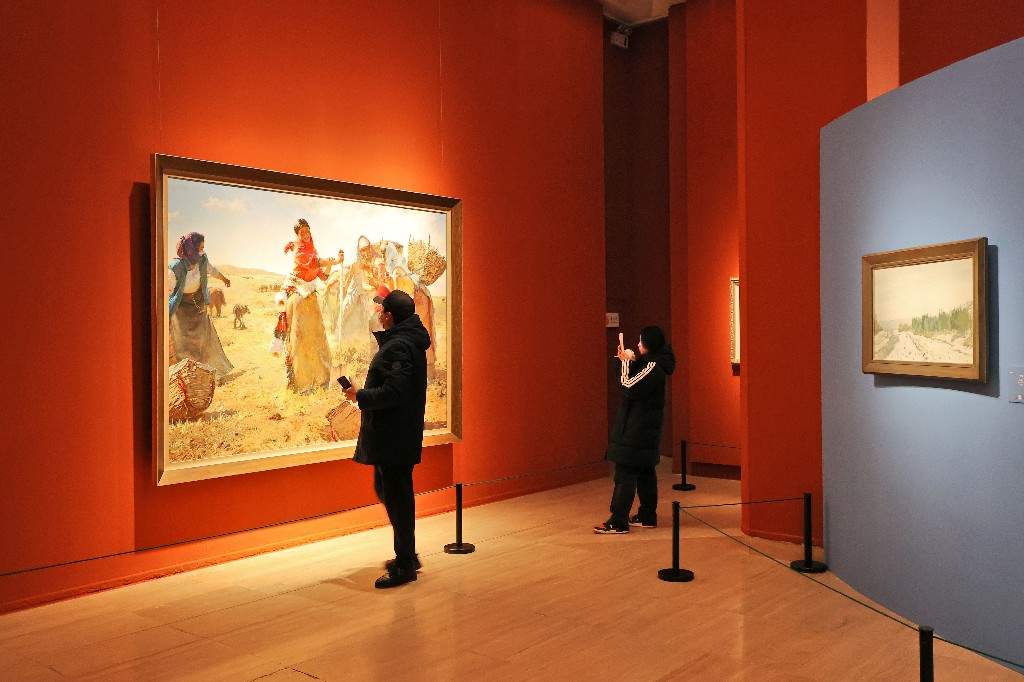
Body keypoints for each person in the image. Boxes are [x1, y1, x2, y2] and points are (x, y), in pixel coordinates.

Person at [342, 289, 431, 588]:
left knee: (397, 498)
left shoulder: (398, 346)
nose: (379, 315)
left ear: (390, 316)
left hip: (394, 437)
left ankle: (405, 564)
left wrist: (360, 396)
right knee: (389, 492)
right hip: (397, 435)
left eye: (382, 311)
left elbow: (395, 392)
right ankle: (408, 555)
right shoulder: (407, 342)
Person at [594, 326, 676, 534]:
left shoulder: (653, 366)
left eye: (641, 341)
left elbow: (628, 385)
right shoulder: (652, 363)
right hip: (643, 428)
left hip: (637, 430)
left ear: (649, 343)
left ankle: (618, 521)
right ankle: (647, 516)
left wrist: (624, 362)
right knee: (645, 472)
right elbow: (635, 381)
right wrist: (627, 360)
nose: (638, 344)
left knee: (625, 473)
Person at [167, 232, 234, 375]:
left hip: (198, 304)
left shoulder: (202, 260)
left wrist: (224, 279)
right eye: (200, 248)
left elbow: (212, 271)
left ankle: (203, 372)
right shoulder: (176, 267)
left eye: (203, 248)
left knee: (202, 339)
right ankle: (185, 373)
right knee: (183, 341)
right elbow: (168, 290)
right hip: (180, 308)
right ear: (191, 249)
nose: (203, 251)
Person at [282, 218, 336, 393]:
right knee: (300, 339)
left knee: (317, 336)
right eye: (302, 232)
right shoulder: (299, 250)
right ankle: (301, 383)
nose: (305, 234)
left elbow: (323, 276)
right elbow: (314, 263)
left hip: (310, 297)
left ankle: (320, 379)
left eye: (307, 230)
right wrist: (332, 261)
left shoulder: (312, 251)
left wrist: (331, 265)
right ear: (298, 235)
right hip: (298, 296)